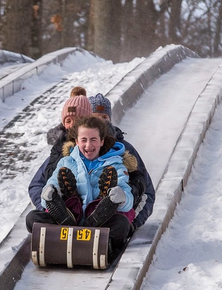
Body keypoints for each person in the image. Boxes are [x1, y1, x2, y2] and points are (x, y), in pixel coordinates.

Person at [28, 90, 155, 234]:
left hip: (106, 216)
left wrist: (130, 220)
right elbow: (40, 183)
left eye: (104, 117)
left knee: (120, 222)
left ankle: (102, 213)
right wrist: (48, 202)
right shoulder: (66, 155)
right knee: (33, 218)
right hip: (70, 211)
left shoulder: (118, 155)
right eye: (96, 117)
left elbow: (145, 189)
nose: (100, 121)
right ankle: (66, 215)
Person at [26, 116, 136, 253]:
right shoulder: (66, 162)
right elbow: (50, 188)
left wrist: (122, 197)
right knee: (33, 218)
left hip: (100, 223)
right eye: (83, 140)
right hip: (71, 215)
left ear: (102, 141)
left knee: (122, 224)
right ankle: (67, 219)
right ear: (76, 141)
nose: (88, 146)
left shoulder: (116, 165)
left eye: (93, 140)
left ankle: (98, 222)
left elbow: (128, 202)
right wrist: (49, 194)